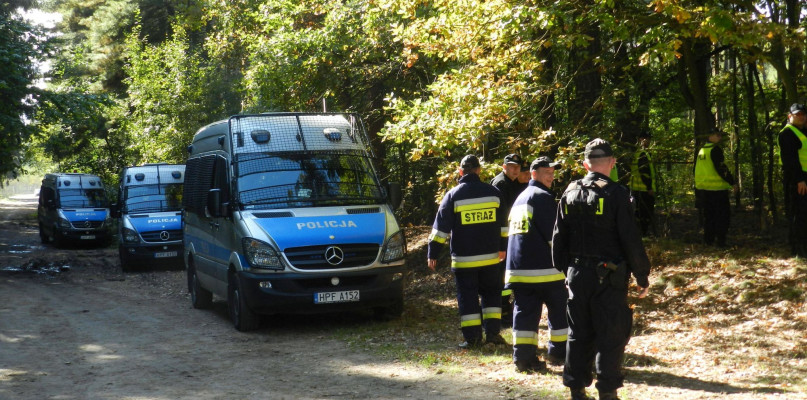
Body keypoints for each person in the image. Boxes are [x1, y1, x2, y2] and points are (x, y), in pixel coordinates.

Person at [552, 139, 651, 400]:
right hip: (608, 277)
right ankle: (607, 392)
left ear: (585, 164)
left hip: (577, 275)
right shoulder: (617, 194)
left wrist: (567, 273)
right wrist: (642, 275)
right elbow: (631, 239)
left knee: (578, 333)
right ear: (612, 163)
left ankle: (576, 389)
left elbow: (558, 240)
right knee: (611, 334)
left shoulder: (569, 192)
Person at [428, 155, 509, 349]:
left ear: (460, 172)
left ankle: (473, 339)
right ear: (479, 171)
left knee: (468, 298)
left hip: (464, 261)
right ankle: (493, 334)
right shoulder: (494, 193)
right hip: (491, 259)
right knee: (492, 296)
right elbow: (504, 226)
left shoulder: (453, 195)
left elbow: (441, 230)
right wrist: (502, 248)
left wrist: (433, 253)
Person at [506, 156, 568, 373]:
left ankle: (523, 359)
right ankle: (559, 354)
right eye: (546, 172)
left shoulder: (520, 198)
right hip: (545, 271)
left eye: (552, 171)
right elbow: (555, 237)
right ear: (534, 174)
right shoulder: (542, 198)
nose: (551, 175)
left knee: (524, 316)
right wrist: (567, 264)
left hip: (519, 271)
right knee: (560, 313)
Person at [491, 153, 525, 327]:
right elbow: (502, 216)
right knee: (502, 276)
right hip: (501, 238)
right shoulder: (501, 184)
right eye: (511, 166)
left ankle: (505, 310)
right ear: (504, 167)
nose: (515, 170)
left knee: (506, 275)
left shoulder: (513, 184)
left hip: (510, 236)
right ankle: (502, 311)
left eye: (517, 167)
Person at [694, 129, 736, 247]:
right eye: (717, 135)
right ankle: (721, 242)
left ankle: (709, 241)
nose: (719, 138)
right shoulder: (715, 150)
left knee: (709, 217)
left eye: (720, 135)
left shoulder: (702, 150)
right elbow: (721, 169)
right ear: (710, 136)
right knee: (722, 217)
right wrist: (732, 182)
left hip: (705, 189)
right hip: (718, 190)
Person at [778, 103, 807, 257]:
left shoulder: (802, 131)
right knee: (798, 214)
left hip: (803, 177)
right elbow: (790, 160)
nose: (801, 117)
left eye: (803, 114)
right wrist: (799, 180)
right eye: (798, 114)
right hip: (797, 179)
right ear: (790, 116)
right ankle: (798, 250)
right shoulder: (787, 134)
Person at [629, 133, 657, 236]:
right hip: (644, 190)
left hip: (637, 189)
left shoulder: (637, 153)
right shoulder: (642, 154)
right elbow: (644, 172)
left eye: (649, 139)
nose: (648, 141)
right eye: (645, 139)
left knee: (638, 213)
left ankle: (640, 233)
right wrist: (649, 188)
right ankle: (643, 234)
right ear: (640, 139)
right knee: (645, 214)